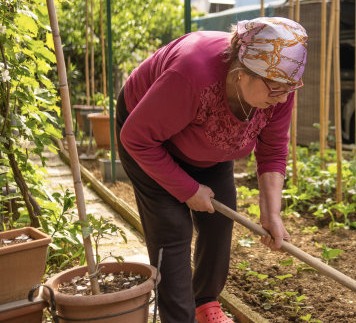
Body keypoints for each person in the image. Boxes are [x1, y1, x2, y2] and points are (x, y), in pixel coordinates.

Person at [116, 17, 308, 323]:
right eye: (276, 90)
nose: (283, 98)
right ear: (242, 74)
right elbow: (136, 139)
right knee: (172, 229)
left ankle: (205, 304)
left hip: (210, 145)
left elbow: (272, 150)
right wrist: (188, 190)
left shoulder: (278, 80)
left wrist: (272, 213)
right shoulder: (192, 73)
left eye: (290, 88)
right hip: (147, 138)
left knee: (219, 220)